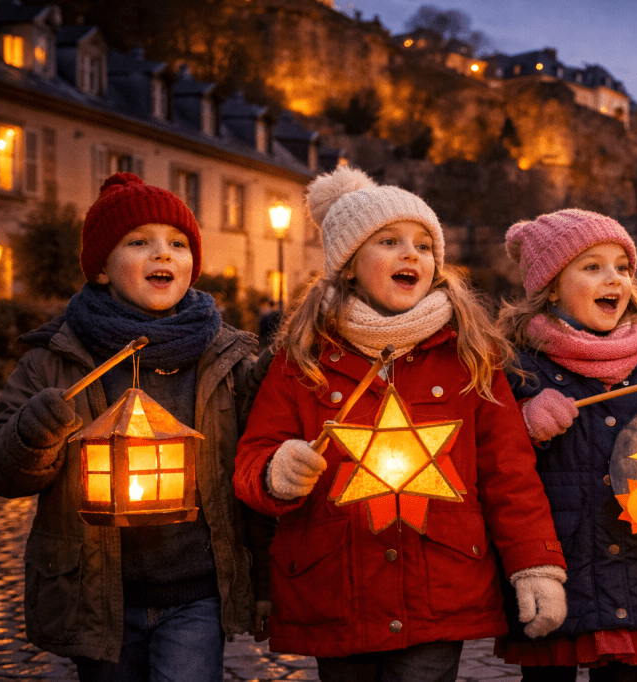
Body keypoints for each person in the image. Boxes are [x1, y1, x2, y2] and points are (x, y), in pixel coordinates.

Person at [233, 166, 568, 682]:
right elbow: (253, 456)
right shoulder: (302, 361)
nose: (411, 254)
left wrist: (536, 567)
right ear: (347, 265)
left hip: (440, 586)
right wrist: (276, 472)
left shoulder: (469, 357)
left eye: (424, 245)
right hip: (336, 588)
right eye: (389, 241)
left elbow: (510, 474)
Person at [0, 172, 273, 681]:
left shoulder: (227, 357)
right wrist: (33, 433)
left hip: (195, 593)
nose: (163, 254)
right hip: (97, 593)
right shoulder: (57, 359)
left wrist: (264, 580)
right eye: (139, 242)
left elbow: (256, 470)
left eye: (178, 244)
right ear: (101, 270)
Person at [496, 209, 637, 682]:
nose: (614, 279)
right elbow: (496, 468)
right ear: (549, 287)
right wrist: (525, 425)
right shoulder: (518, 372)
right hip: (558, 572)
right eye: (592, 267)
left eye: (622, 268)